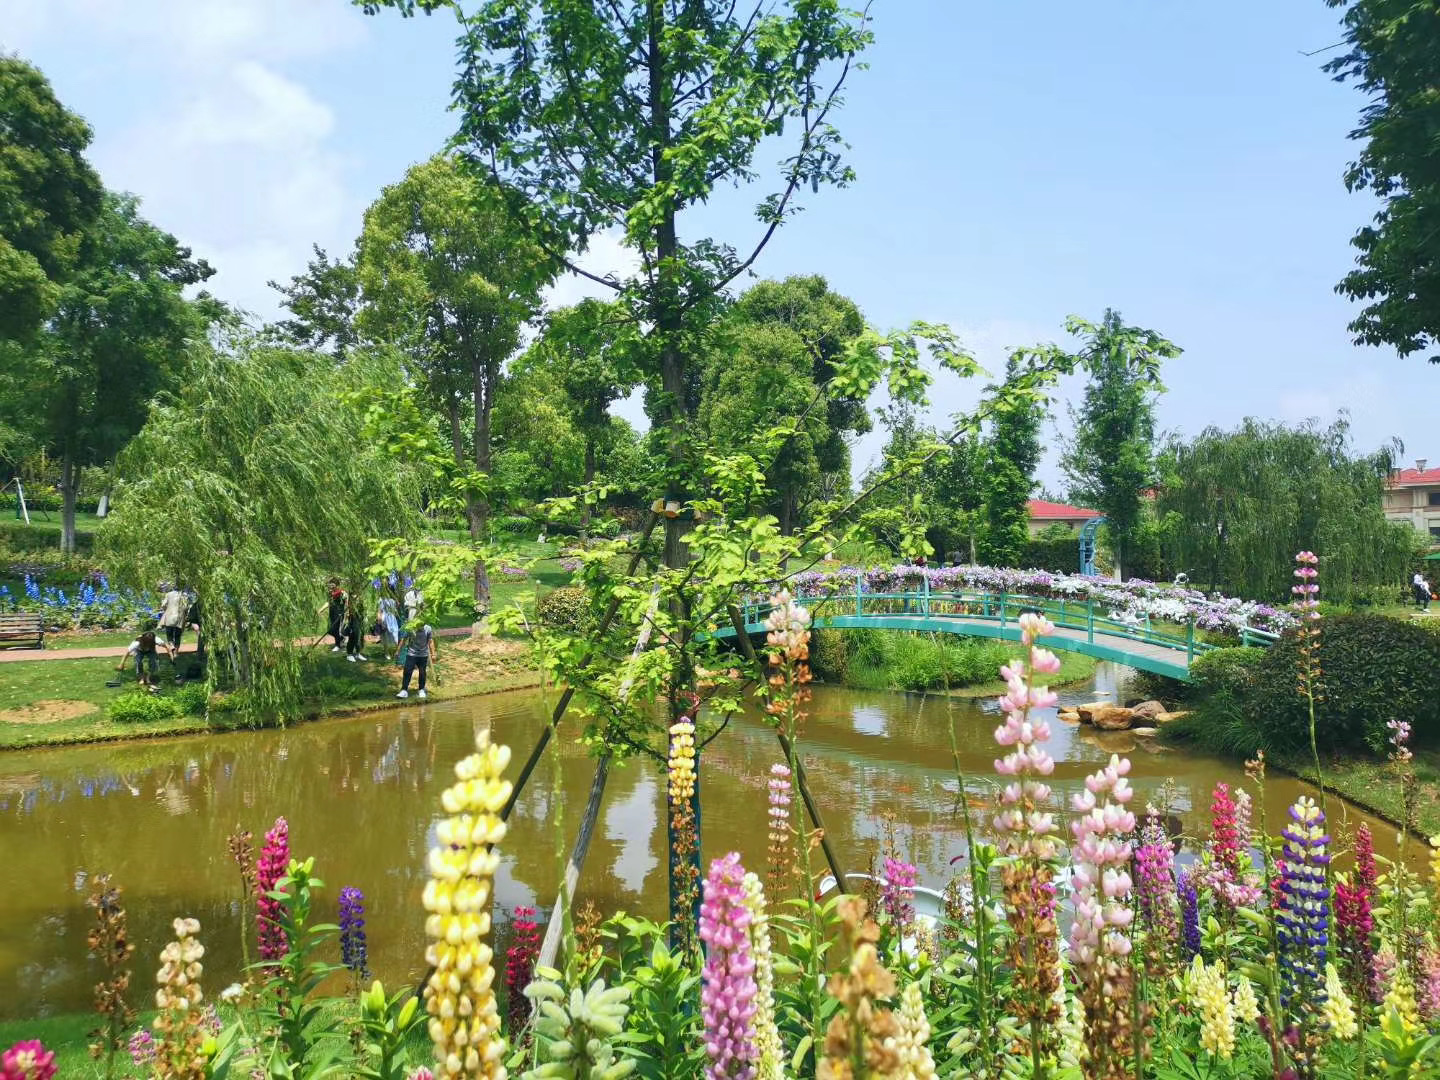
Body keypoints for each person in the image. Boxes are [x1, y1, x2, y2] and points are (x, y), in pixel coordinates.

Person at [396, 618, 436, 699]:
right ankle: (404, 690)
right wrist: (398, 651)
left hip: (423, 654)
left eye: (422, 626)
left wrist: (433, 654)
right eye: (419, 626)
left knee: (422, 672)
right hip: (412, 653)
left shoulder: (428, 628)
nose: (420, 627)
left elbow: (431, 641)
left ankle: (421, 689)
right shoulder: (410, 628)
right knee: (407, 671)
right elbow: (404, 640)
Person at [159, 584, 188, 653]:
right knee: (178, 635)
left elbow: (163, 605)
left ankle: (171, 645)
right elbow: (186, 606)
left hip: (170, 616)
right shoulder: (184, 595)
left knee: (169, 634)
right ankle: (176, 653)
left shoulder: (168, 594)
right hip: (179, 617)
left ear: (173, 588)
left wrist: (165, 609)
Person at [344, 590, 367, 662]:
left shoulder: (361, 596)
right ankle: (349, 654)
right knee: (353, 636)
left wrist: (365, 617)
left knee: (360, 636)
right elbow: (346, 609)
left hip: (360, 618)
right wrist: (346, 619)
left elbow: (364, 608)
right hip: (353, 619)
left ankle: (358, 653)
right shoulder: (349, 597)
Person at [322, 581, 346, 651]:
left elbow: (347, 602)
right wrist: (321, 610)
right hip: (332, 613)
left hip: (339, 613)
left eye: (333, 584)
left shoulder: (341, 592)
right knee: (330, 630)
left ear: (337, 585)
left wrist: (345, 612)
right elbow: (328, 602)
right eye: (330, 584)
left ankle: (337, 645)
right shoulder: (330, 593)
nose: (331, 586)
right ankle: (341, 638)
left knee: (335, 629)